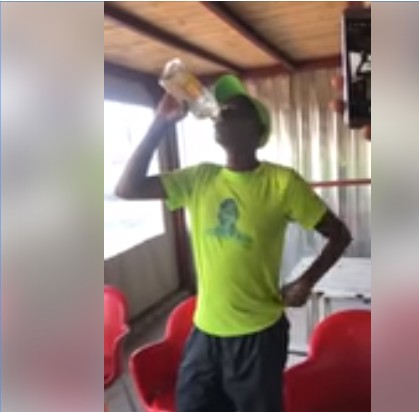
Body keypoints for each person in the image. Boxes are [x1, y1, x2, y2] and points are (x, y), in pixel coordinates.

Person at [115, 74, 352, 412]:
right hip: (205, 334)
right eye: (222, 106)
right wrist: (160, 124)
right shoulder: (200, 178)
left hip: (259, 337)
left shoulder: (281, 183)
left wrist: (306, 281)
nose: (222, 111)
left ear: (257, 131)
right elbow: (127, 189)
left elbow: (340, 235)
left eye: (235, 108)